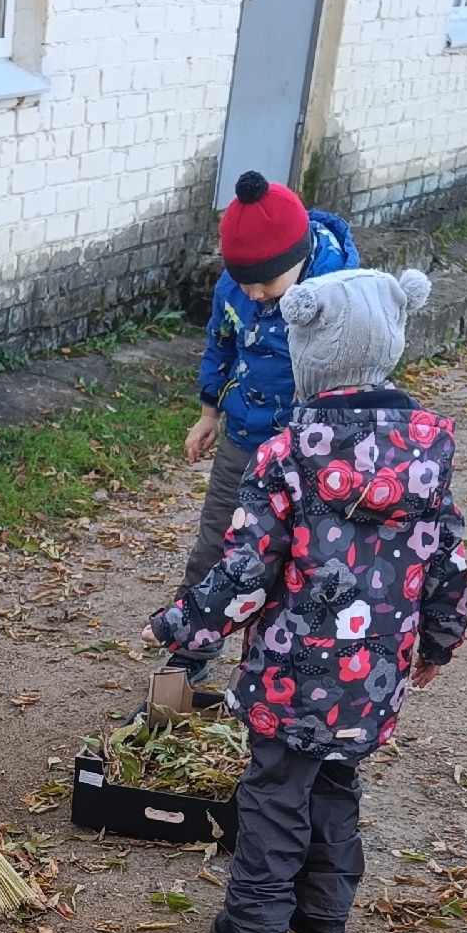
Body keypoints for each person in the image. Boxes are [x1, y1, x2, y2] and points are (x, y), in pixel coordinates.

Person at [148, 264, 467, 933]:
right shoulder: (427, 456)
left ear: (309, 353)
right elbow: (447, 554)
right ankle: (324, 917)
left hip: (294, 669)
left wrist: (180, 626)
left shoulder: (287, 453)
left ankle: (254, 927)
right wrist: (441, 637)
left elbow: (245, 570)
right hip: (375, 668)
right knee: (336, 780)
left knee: (273, 791)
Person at [175, 172, 359, 684]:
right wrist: (209, 412)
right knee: (217, 540)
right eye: (244, 282)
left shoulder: (341, 293)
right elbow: (221, 344)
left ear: (296, 261)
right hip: (244, 436)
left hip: (309, 451)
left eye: (265, 284)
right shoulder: (236, 289)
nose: (254, 294)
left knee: (301, 554)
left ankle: (289, 660)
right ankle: (191, 645)